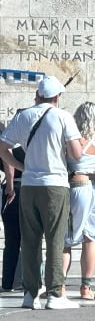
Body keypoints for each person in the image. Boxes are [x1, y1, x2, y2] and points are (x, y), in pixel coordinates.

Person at [0, 76, 83, 310]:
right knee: (55, 239)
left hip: (28, 184)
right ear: (57, 97)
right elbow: (76, 154)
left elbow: (2, 147)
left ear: (38, 95)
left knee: (30, 240)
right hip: (55, 183)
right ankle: (55, 293)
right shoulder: (63, 117)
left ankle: (30, 293)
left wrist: (20, 167)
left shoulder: (23, 116)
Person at [61, 102, 95, 300]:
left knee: (66, 238)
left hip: (78, 184)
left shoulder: (73, 139)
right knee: (91, 239)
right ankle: (86, 287)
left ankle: (61, 285)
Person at [1, 122, 23, 292]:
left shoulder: (6, 141)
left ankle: (9, 281)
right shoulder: (26, 139)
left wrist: (8, 185)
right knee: (30, 238)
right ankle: (28, 280)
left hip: (13, 189)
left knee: (12, 239)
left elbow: (8, 165)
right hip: (27, 188)